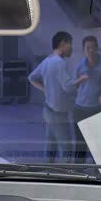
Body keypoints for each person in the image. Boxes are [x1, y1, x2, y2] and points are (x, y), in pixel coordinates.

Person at [29, 31, 87, 163]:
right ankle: (67, 173)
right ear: (62, 44)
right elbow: (68, 87)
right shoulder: (60, 63)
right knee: (67, 149)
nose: (72, 48)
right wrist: (81, 80)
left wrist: (45, 89)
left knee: (51, 145)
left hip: (48, 110)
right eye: (70, 44)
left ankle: (48, 170)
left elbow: (32, 77)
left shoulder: (47, 61)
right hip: (58, 114)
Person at [71, 35, 101, 161]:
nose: (90, 50)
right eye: (87, 48)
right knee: (80, 142)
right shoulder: (79, 66)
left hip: (96, 109)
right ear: (83, 50)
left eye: (93, 47)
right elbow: (74, 86)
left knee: (98, 145)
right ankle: (79, 168)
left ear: (97, 48)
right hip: (80, 108)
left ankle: (99, 169)